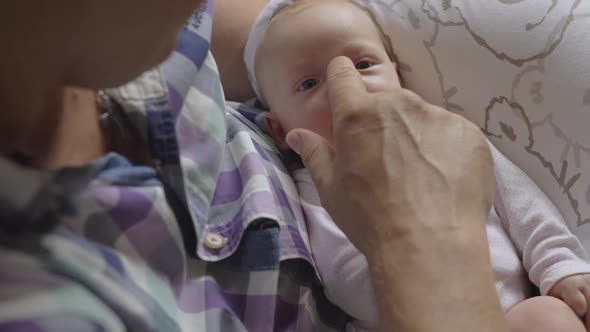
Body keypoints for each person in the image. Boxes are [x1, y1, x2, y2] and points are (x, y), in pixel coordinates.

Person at [0, 0, 506, 331]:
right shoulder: (42, 305)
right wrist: (426, 241)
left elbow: (297, 27)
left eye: (368, 64)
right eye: (308, 86)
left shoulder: (118, 33)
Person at [243, 0, 590, 331]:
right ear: (278, 129)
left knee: (547, 316)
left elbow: (521, 205)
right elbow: (341, 281)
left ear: (398, 77)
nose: (343, 87)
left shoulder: (447, 137)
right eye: (308, 83)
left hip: (513, 310)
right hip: (397, 321)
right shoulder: (312, 186)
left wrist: (559, 265)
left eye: (363, 65)